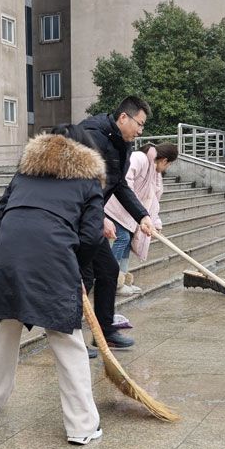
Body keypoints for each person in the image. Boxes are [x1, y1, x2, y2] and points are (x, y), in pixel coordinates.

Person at [0, 125, 105, 444]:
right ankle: (82, 427)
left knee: (6, 328)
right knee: (67, 340)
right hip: (52, 259)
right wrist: (74, 270)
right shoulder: (88, 181)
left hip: (6, 256)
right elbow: (91, 236)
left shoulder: (23, 176)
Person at [79, 97, 156, 350]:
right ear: (124, 117)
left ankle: (105, 331)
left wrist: (142, 216)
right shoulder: (91, 136)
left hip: (91, 217)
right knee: (84, 277)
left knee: (109, 270)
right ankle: (71, 340)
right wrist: (99, 216)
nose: (140, 130)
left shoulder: (123, 145)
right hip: (75, 218)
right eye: (139, 124)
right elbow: (79, 183)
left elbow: (119, 184)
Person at [108, 142, 177, 295]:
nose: (167, 168)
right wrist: (136, 208)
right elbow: (125, 182)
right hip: (114, 206)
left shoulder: (156, 175)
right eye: (169, 164)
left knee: (127, 241)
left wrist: (155, 223)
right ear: (165, 160)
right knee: (123, 238)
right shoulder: (139, 158)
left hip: (130, 213)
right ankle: (110, 281)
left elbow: (152, 202)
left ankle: (122, 280)